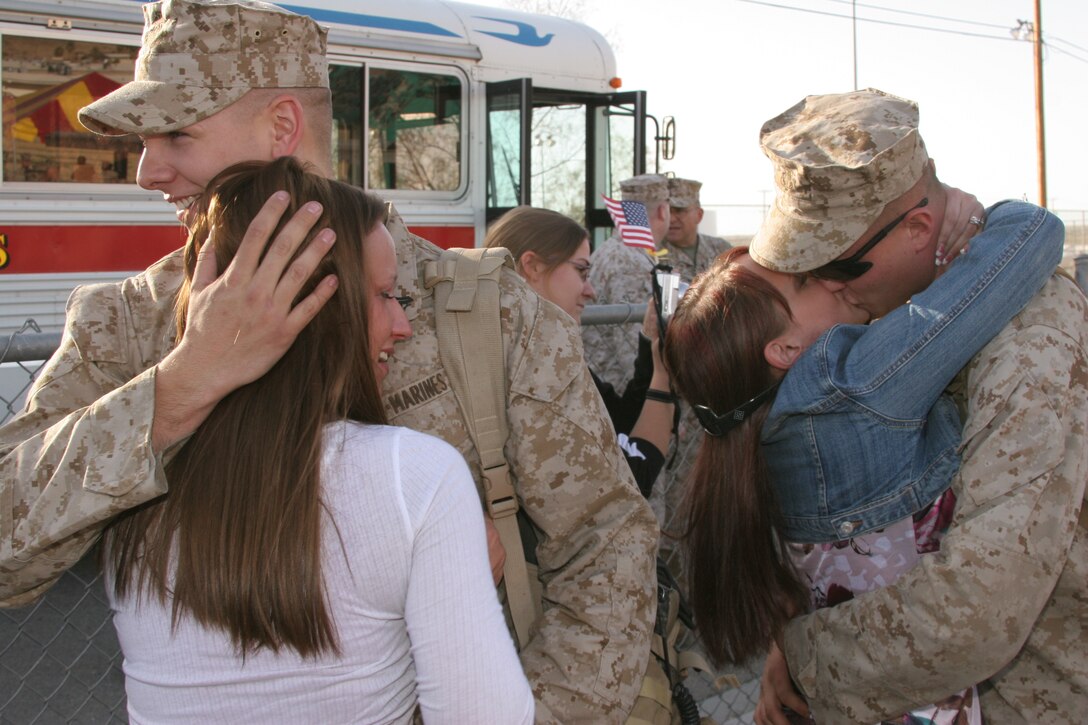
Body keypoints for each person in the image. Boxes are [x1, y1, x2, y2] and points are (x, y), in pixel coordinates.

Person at [0, 1, 658, 721]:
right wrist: (183, 382)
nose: (147, 170)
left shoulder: (481, 311)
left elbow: (605, 541)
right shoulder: (129, 325)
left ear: (282, 128)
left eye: (175, 134)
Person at [104, 156, 533, 723]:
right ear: (318, 310)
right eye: (383, 296)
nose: (401, 326)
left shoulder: (126, 478)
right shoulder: (414, 476)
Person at [743, 89, 1088, 724]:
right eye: (804, 270)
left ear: (918, 229)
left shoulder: (1031, 331)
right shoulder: (891, 310)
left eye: (836, 265)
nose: (823, 288)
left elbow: (979, 608)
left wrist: (806, 658)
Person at [666, 188, 1062, 720]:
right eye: (807, 280)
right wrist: (953, 205)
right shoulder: (843, 383)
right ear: (784, 350)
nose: (834, 277)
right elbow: (1033, 235)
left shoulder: (760, 433)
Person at [484, 204, 674, 497]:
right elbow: (633, 475)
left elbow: (619, 422)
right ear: (532, 266)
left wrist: (650, 344)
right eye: (581, 271)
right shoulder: (539, 368)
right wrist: (663, 379)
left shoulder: (516, 347)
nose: (591, 290)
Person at [665, 177, 732, 265]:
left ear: (699, 215)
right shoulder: (650, 254)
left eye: (679, 211)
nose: (671, 219)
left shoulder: (721, 249)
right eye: (666, 211)